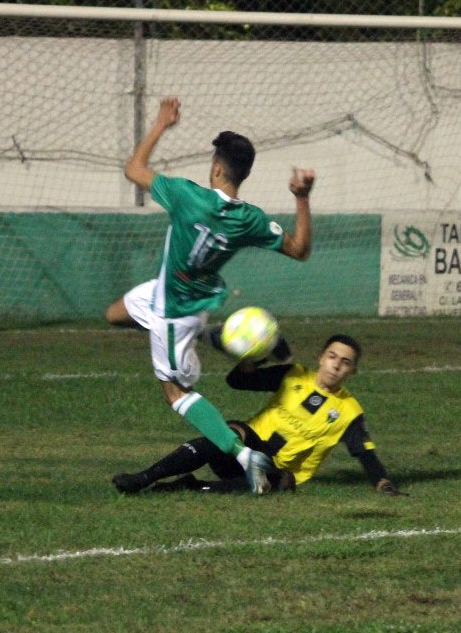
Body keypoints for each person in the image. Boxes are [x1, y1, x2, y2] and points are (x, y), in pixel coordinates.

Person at [105, 96, 316, 495]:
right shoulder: (249, 219)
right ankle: (209, 336)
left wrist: (161, 125)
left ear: (217, 167)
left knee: (175, 394)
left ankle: (241, 455)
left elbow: (134, 169)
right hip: (176, 298)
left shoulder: (188, 196)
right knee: (115, 314)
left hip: (174, 309)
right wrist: (301, 197)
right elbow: (300, 249)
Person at [112, 333, 405, 496]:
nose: (336, 365)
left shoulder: (349, 411)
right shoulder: (294, 375)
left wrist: (383, 482)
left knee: (265, 483)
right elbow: (238, 381)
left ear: (352, 370)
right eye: (331, 356)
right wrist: (253, 357)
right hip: (246, 444)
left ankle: (189, 485)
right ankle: (142, 478)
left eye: (345, 362)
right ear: (321, 357)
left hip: (278, 470)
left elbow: (364, 453)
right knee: (224, 432)